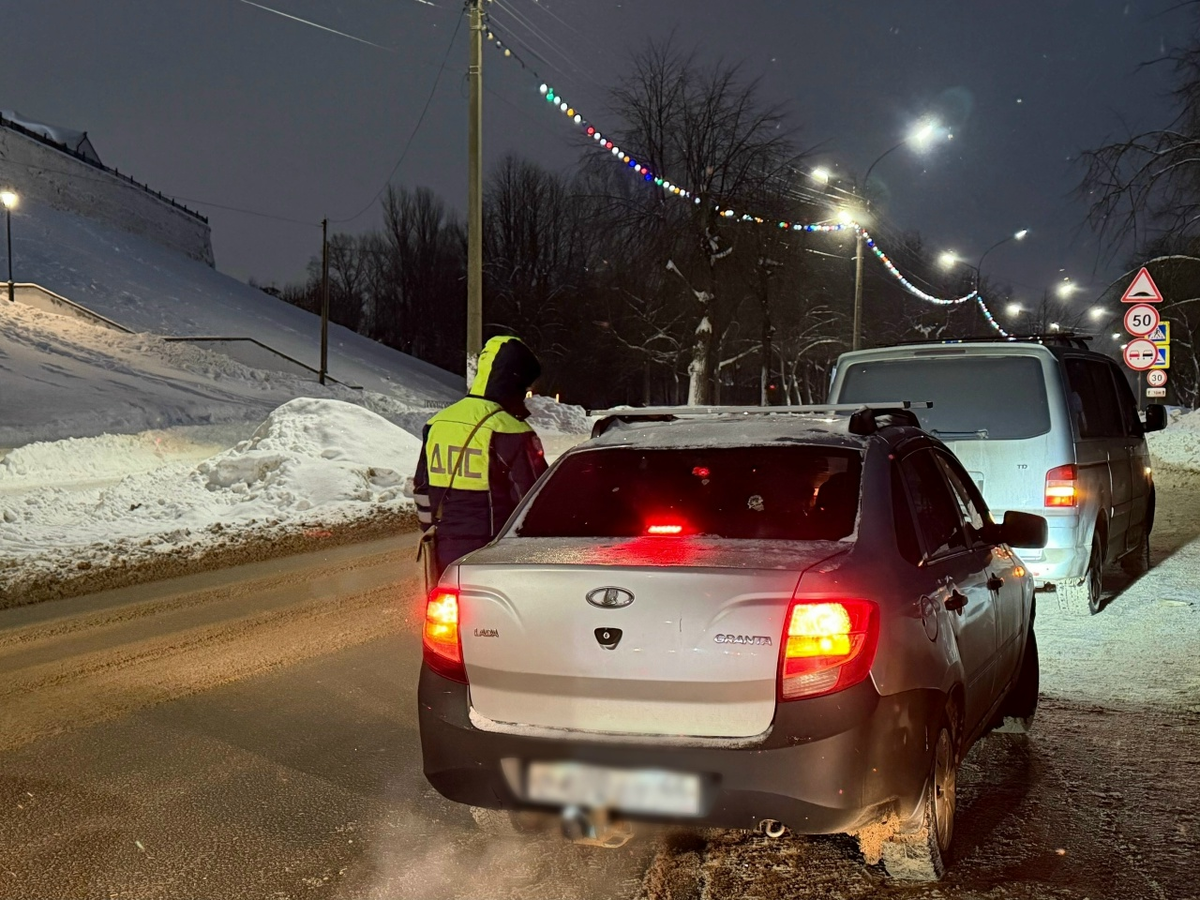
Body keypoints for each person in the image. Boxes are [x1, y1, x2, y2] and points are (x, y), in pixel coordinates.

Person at [413, 335, 548, 580]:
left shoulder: (437, 423)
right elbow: (532, 500)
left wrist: (432, 528)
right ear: (514, 381)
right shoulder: (511, 430)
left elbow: (422, 488)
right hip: (494, 554)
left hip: (443, 550)